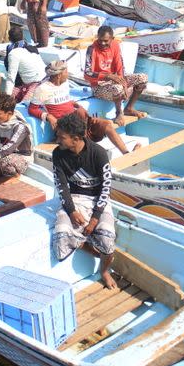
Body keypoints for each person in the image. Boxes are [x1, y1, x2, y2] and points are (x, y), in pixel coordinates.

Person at [50, 113, 117, 289]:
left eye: (61, 137)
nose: (57, 140)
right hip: (75, 199)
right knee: (61, 239)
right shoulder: (58, 154)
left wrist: (95, 219)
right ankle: (84, 242)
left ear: (76, 139)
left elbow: (106, 189)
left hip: (97, 200)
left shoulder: (99, 154)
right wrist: (71, 211)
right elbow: (62, 187)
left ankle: (104, 271)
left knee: (107, 243)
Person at [29, 60, 132, 155]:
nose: (67, 74)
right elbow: (32, 109)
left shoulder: (65, 84)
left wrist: (76, 104)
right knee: (80, 138)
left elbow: (63, 100)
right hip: (65, 126)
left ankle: (126, 153)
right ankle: (94, 157)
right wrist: (48, 116)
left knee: (107, 125)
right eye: (66, 72)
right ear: (59, 75)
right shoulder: (42, 89)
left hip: (78, 119)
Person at [84, 26, 148, 126]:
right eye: (100, 40)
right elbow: (87, 73)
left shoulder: (115, 45)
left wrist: (124, 84)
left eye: (106, 41)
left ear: (112, 39)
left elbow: (120, 67)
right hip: (98, 86)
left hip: (114, 80)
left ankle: (129, 108)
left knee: (142, 78)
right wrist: (107, 76)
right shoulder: (92, 49)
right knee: (118, 88)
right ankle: (118, 113)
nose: (102, 43)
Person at [4, 27, 46, 102]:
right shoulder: (32, 48)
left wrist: (7, 97)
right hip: (43, 78)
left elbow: (11, 76)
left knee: (23, 103)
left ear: (9, 38)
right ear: (23, 36)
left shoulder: (12, 52)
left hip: (35, 83)